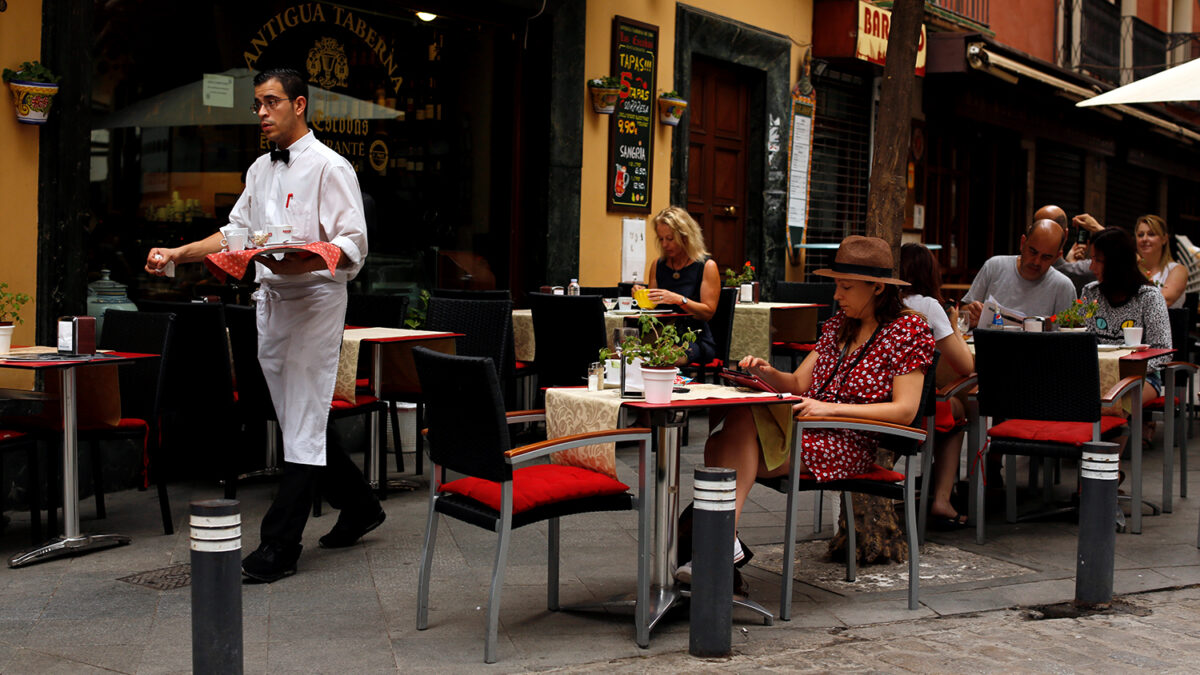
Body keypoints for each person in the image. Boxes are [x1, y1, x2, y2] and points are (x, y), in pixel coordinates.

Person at [144, 68, 382, 583]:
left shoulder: (330, 167)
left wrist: (308, 262)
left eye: (271, 102)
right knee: (300, 413)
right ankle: (361, 504)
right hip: (270, 301)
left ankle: (280, 545)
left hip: (316, 302)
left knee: (301, 417)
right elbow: (235, 233)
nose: (261, 113)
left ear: (299, 105)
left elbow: (354, 244)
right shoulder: (258, 169)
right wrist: (177, 254)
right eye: (257, 104)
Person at [687, 236, 934, 579]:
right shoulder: (839, 327)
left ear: (877, 287)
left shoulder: (908, 330)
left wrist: (829, 410)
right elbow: (798, 384)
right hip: (808, 426)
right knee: (728, 430)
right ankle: (723, 546)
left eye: (846, 287)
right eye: (836, 286)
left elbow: (904, 411)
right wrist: (765, 372)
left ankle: (718, 546)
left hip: (849, 441)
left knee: (724, 443)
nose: (837, 295)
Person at [898, 244, 974, 529]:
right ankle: (942, 498)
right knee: (957, 410)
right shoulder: (928, 306)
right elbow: (966, 366)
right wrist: (954, 324)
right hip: (916, 408)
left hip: (878, 402)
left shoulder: (883, 303)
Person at [1083, 227, 1172, 405]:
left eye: (1098, 260)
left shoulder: (1149, 297)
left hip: (1141, 377)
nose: (1091, 267)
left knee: (1114, 405)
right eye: (1091, 259)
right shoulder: (1091, 293)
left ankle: (1121, 433)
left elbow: (1163, 350)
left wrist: (1120, 368)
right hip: (1096, 375)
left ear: (1117, 263)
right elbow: (1084, 340)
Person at [637, 206, 720, 365]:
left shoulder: (706, 266)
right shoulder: (658, 265)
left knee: (663, 357)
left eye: (670, 239)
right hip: (660, 336)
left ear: (685, 237)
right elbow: (651, 309)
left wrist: (679, 300)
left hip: (694, 339)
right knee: (623, 356)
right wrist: (641, 295)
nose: (665, 244)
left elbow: (708, 313)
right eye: (661, 239)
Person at [963, 219, 1077, 326]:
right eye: (1033, 252)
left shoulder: (1063, 287)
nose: (1036, 262)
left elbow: (1069, 337)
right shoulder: (994, 266)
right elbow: (962, 312)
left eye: (1046, 257)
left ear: (1057, 257)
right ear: (1022, 243)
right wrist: (971, 314)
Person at [1134, 214, 1187, 309]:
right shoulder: (1131, 268)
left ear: (1164, 239)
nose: (1144, 239)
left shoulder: (1178, 270)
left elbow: (1161, 302)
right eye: (1140, 235)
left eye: (1151, 234)